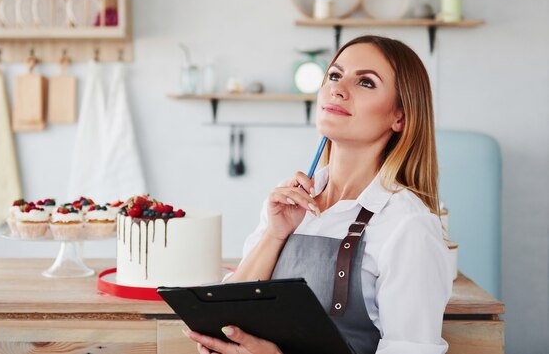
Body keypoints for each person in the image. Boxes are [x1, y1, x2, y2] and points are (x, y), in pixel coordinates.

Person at [185, 35, 453, 354]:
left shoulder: (408, 226)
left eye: (366, 82)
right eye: (335, 75)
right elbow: (228, 319)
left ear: (400, 116)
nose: (337, 89)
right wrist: (275, 234)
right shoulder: (287, 205)